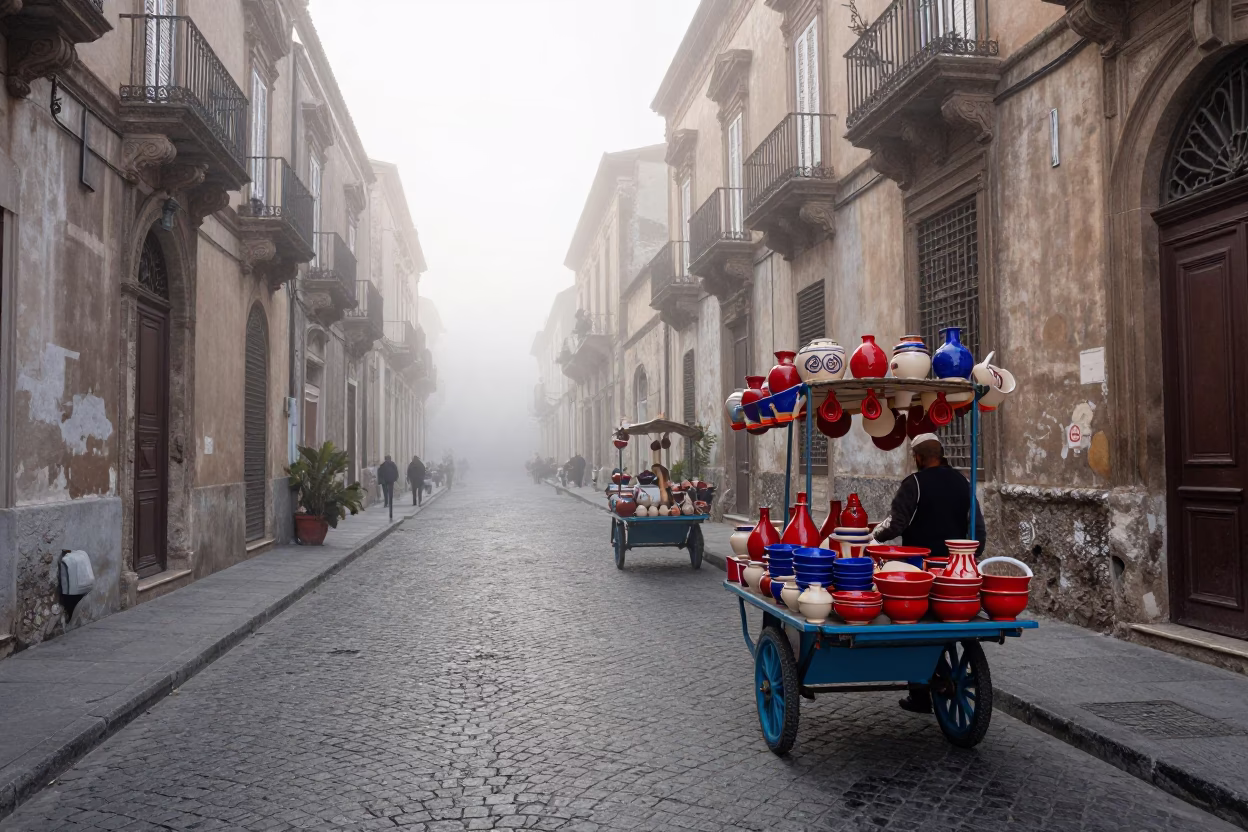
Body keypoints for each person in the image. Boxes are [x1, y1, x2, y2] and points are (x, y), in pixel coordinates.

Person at [871, 433, 986, 714]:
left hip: (919, 569)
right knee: (943, 622)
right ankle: (935, 678)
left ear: (919, 457)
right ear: (941, 454)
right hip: (953, 571)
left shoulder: (915, 484)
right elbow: (978, 530)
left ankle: (920, 695)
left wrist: (875, 535)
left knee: (914, 625)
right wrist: (971, 553)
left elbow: (896, 524)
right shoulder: (963, 483)